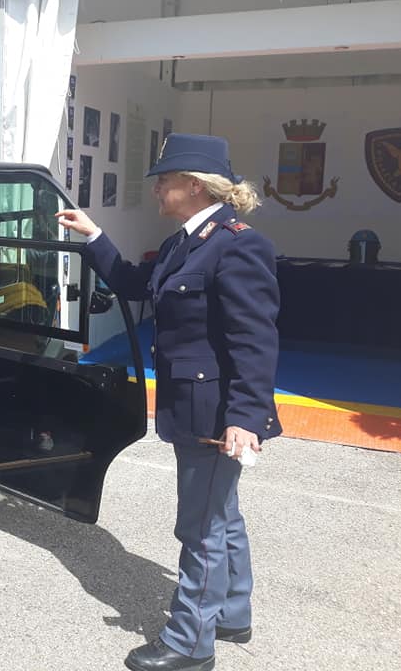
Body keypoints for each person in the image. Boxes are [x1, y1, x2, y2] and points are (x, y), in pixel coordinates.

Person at [57, 133, 281, 671]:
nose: (156, 188)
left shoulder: (237, 243)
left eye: (165, 179)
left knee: (200, 527)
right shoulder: (188, 240)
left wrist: (246, 418)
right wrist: (95, 238)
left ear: (197, 187)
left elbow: (255, 338)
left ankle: (189, 642)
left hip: (214, 412)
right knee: (220, 514)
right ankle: (230, 610)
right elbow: (138, 285)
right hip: (193, 405)